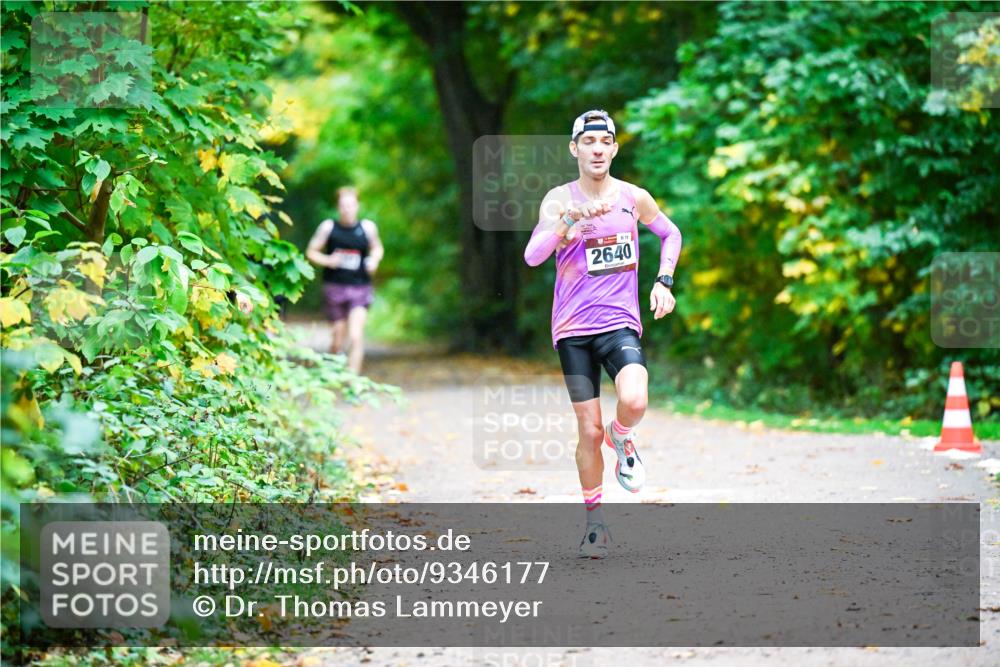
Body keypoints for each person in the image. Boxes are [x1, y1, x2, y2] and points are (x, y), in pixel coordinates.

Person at [523, 110, 682, 559]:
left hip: (619, 322)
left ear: (614, 148)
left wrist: (664, 281)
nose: (597, 149)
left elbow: (670, 234)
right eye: (588, 142)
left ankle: (622, 434)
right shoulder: (559, 199)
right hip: (573, 330)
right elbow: (533, 256)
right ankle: (595, 525)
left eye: (605, 142)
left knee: (635, 400)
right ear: (574, 148)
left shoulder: (633, 197)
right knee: (588, 432)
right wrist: (566, 222)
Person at [306, 186, 384, 374]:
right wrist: (328, 260)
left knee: (356, 336)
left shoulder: (367, 228)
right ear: (338, 207)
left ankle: (352, 380)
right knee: (338, 338)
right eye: (343, 206)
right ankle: (335, 373)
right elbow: (311, 252)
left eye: (350, 205)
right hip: (334, 288)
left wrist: (374, 260)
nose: (347, 209)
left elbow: (377, 248)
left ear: (357, 206)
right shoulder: (328, 227)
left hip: (360, 288)